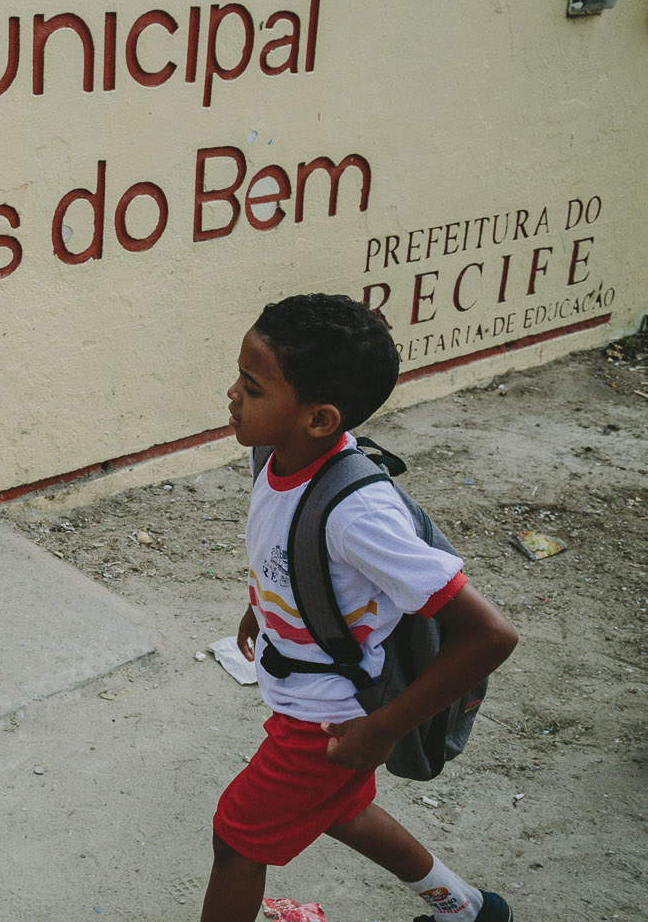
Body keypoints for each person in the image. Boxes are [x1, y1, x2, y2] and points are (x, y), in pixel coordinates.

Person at [200, 293, 519, 922]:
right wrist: (263, 609)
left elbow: (490, 636)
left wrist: (380, 729)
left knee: (236, 838)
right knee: (340, 811)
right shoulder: (275, 454)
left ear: (320, 419)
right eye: (240, 376)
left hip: (330, 720)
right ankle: (467, 909)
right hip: (313, 702)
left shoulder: (359, 514)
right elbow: (289, 555)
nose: (233, 395)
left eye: (254, 388)